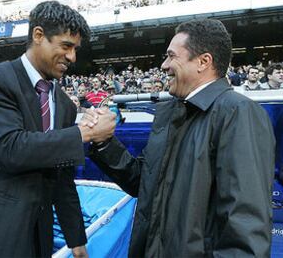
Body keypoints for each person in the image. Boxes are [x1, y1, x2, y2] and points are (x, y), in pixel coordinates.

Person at [0, 1, 115, 258]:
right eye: (66, 46)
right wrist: (85, 133)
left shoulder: (64, 105)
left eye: (76, 49)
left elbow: (62, 179)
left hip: (34, 238)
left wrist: (76, 240)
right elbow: (9, 149)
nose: (72, 57)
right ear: (38, 35)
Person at [86, 19, 275, 257]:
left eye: (171, 56)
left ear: (203, 62)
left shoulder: (238, 113)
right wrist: (104, 142)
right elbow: (145, 182)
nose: (164, 65)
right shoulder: (171, 112)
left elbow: (246, 226)